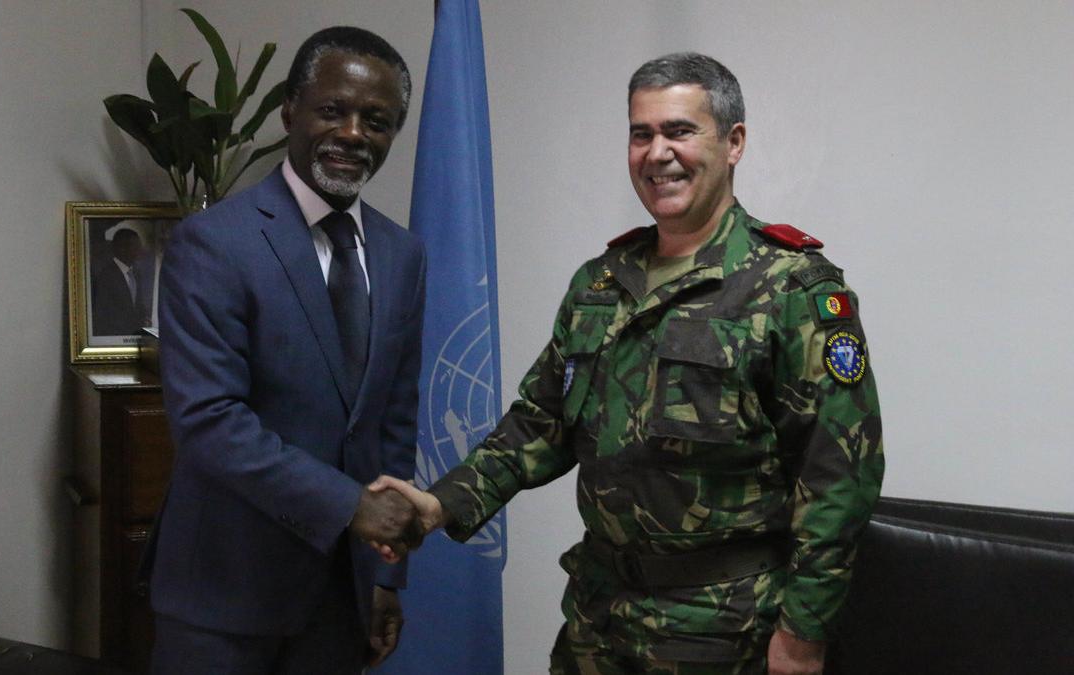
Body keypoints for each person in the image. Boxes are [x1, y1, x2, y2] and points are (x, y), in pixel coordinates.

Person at [373, 52, 884, 675]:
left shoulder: (792, 289)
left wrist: (803, 634)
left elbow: (838, 477)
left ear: (734, 143)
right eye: (641, 134)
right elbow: (539, 425)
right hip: (598, 619)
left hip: (723, 629)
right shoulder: (600, 285)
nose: (657, 153)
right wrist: (438, 505)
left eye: (679, 131)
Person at [146, 26, 425, 675]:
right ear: (289, 110)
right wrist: (352, 507)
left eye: (376, 121)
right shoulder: (213, 243)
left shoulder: (403, 254)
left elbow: (394, 421)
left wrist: (386, 575)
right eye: (333, 110)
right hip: (222, 599)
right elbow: (209, 421)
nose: (353, 133)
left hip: (340, 602)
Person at [91, 226, 149, 336]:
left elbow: (137, 305)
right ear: (122, 248)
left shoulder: (136, 274)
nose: (140, 250)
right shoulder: (105, 276)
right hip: (113, 336)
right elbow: (102, 313)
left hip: (134, 336)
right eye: (135, 246)